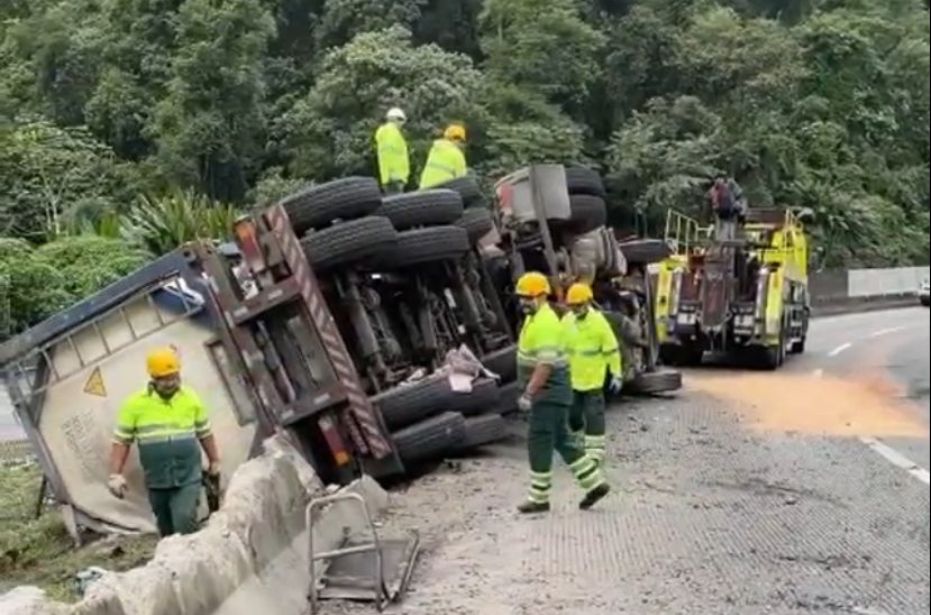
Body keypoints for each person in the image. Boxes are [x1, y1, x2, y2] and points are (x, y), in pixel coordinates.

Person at [514, 272, 610, 514]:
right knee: (562, 440)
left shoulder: (545, 322)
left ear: (541, 296)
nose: (523, 302)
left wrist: (528, 393)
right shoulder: (534, 318)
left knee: (539, 441)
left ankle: (539, 498)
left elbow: (545, 364)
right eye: (521, 297)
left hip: (549, 392)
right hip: (553, 391)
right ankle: (595, 483)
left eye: (527, 297)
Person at [108, 347, 221, 537]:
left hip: (188, 474)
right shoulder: (135, 404)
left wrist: (214, 460)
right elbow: (121, 441)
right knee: (166, 529)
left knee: (184, 520)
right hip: (157, 480)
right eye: (165, 379)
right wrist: (115, 475)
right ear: (153, 378)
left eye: (175, 377)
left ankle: (193, 562)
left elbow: (205, 433)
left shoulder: (190, 398)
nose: (171, 383)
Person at [562, 283, 623, 466]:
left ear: (588, 303)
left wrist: (616, 374)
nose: (576, 309)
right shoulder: (567, 321)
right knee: (572, 415)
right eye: (572, 306)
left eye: (579, 305)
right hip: (573, 379)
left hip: (593, 379)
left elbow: (611, 350)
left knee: (594, 415)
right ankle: (578, 440)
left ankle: (595, 453)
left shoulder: (599, 323)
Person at [418, 123, 467, 189]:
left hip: (423, 188)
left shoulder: (434, 149)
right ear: (458, 139)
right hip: (442, 193)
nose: (461, 145)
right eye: (462, 141)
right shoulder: (457, 155)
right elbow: (461, 180)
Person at [374, 107, 410, 194]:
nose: (402, 124)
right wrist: (393, 175)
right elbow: (390, 154)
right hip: (395, 178)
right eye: (401, 121)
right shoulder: (391, 133)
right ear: (396, 119)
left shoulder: (385, 133)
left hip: (389, 177)